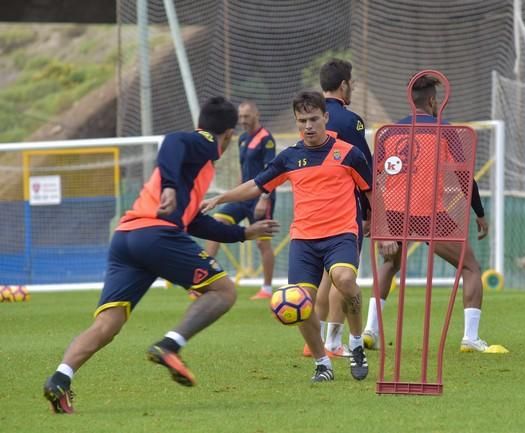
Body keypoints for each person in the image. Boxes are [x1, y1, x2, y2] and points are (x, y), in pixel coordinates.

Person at [42, 97, 280, 414]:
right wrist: (168, 185)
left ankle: (60, 378)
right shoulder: (205, 143)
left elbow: (193, 220)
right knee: (223, 291)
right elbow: (172, 141)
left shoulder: (195, 166)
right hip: (155, 235)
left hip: (126, 237)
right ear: (228, 135)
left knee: (108, 324)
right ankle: (170, 345)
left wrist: (243, 233)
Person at [201, 91, 373, 382]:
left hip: (341, 234)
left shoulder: (349, 154)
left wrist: (379, 225)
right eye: (302, 120)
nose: (308, 126)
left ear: (326, 118)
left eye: (314, 119)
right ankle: (322, 363)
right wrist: (220, 199)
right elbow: (256, 185)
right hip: (304, 241)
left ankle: (356, 343)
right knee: (300, 300)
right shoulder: (290, 158)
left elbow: (370, 191)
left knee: (345, 280)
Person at [365, 74, 506, 354]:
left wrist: (374, 217)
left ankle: (371, 329)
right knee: (470, 268)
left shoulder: (389, 132)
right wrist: (479, 213)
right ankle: (470, 337)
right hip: (429, 212)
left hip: (393, 210)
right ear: (432, 101)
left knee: (389, 266)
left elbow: (374, 178)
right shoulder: (445, 130)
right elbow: (466, 177)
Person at [306, 59, 374, 358]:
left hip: (315, 206)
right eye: (352, 82)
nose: (353, 87)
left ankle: (316, 342)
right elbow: (365, 168)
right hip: (346, 208)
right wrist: (371, 213)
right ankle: (334, 342)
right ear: (344, 84)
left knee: (324, 275)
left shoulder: (311, 117)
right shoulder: (350, 121)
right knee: (343, 275)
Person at [205, 100, 277, 300]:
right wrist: (234, 192)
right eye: (240, 117)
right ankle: (203, 281)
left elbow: (271, 172)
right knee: (216, 225)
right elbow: (242, 169)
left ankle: (267, 289)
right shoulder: (242, 139)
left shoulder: (266, 139)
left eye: (246, 116)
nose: (242, 120)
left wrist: (264, 199)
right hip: (242, 197)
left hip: (261, 198)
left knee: (263, 244)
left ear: (256, 115)